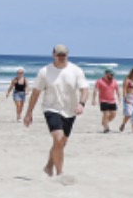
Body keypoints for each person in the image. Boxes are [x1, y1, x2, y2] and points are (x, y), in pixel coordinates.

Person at [23, 44, 89, 177]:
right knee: (58, 138)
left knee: (61, 143)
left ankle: (49, 166)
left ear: (67, 55)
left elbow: (84, 89)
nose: (61, 57)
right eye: (59, 55)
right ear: (53, 54)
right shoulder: (45, 71)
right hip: (51, 108)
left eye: (64, 55)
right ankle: (59, 174)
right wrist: (29, 113)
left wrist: (81, 104)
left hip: (70, 110)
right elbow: (36, 93)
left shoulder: (76, 70)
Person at [94, 68, 119, 132]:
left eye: (113, 75)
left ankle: (105, 122)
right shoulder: (99, 81)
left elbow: (117, 90)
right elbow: (95, 90)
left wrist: (119, 97)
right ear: (106, 74)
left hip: (112, 100)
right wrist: (94, 99)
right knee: (106, 114)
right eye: (111, 75)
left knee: (113, 114)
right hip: (103, 100)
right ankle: (106, 128)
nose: (112, 76)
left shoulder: (114, 81)